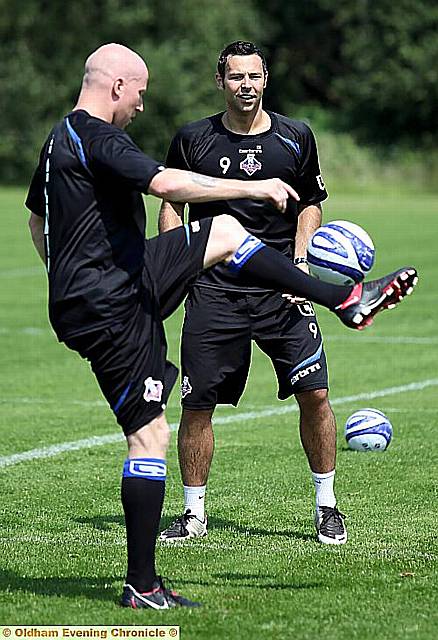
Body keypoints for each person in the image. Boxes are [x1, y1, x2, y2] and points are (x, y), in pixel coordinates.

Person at [26, 43, 416, 610]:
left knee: (225, 233)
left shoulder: (59, 137)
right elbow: (166, 186)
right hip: (112, 305)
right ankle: (143, 584)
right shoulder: (103, 137)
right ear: (116, 87)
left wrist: (60, 278)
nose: (140, 106)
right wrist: (253, 187)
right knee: (150, 436)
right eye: (139, 93)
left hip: (118, 283)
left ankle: (346, 296)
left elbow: (38, 219)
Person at [158, 42, 416, 546]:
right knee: (197, 405)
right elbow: (171, 203)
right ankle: (193, 516)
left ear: (267, 78)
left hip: (283, 292)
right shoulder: (192, 139)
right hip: (214, 292)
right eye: (236, 78)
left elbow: (311, 205)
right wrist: (177, 262)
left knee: (315, 395)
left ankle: (326, 507)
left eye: (254, 76)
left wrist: (299, 261)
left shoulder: (296, 137)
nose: (246, 85)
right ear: (220, 81)